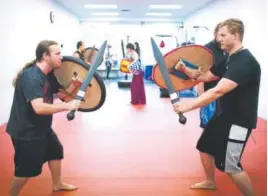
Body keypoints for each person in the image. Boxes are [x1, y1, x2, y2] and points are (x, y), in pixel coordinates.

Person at [173, 18, 261, 196]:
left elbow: (217, 91)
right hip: (224, 116)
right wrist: (185, 70)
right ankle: (210, 182)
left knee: (231, 166)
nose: (218, 38)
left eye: (223, 35)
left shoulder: (244, 62)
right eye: (218, 34)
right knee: (204, 146)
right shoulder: (229, 57)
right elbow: (207, 77)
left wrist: (188, 105)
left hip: (239, 121)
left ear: (236, 36)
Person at [6, 40, 83, 196]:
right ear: (45, 56)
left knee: (55, 151)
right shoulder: (32, 77)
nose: (61, 57)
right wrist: (68, 107)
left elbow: (64, 96)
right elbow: (39, 108)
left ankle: (57, 184)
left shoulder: (49, 75)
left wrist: (74, 86)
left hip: (42, 127)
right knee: (25, 172)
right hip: (26, 132)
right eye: (57, 54)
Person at [196, 23, 226, 129]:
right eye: (221, 35)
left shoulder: (228, 50)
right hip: (210, 96)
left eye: (226, 35)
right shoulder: (206, 50)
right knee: (208, 128)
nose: (223, 38)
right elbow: (199, 77)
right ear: (215, 34)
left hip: (226, 96)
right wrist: (202, 99)